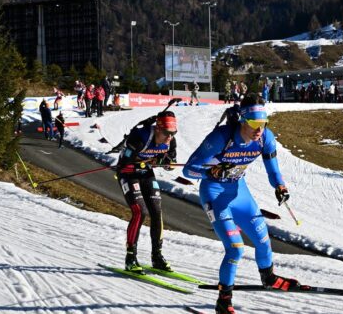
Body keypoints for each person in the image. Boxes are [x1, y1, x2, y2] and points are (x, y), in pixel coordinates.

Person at [183, 94, 298, 314]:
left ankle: (268, 277)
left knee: (263, 239)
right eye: (254, 124)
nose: (259, 130)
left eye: (263, 124)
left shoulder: (266, 138)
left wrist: (280, 187)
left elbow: (273, 169)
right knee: (236, 249)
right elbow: (188, 170)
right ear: (243, 121)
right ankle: (223, 301)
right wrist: (213, 170)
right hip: (215, 195)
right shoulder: (221, 137)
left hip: (239, 193)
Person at [115, 111, 178, 273]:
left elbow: (171, 163)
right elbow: (125, 162)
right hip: (128, 173)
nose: (169, 137)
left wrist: (167, 163)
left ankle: (157, 256)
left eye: (173, 133)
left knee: (156, 211)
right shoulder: (140, 136)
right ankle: (130, 258)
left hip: (146, 174)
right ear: (157, 129)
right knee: (140, 212)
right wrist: (149, 161)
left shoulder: (170, 142)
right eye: (166, 133)